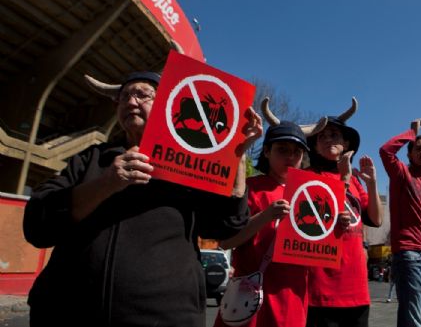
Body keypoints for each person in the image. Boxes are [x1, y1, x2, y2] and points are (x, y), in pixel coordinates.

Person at [23, 71, 262, 327]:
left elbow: (225, 226)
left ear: (167, 106)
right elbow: (37, 225)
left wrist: (236, 155)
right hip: (67, 314)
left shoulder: (192, 166)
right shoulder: (89, 160)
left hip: (165, 318)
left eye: (142, 94)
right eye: (124, 96)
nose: (131, 102)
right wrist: (106, 183)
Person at [212, 98, 327, 327]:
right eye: (282, 150)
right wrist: (266, 216)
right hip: (251, 295)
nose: (290, 156)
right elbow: (226, 242)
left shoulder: (314, 195)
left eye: (296, 152)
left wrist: (336, 228)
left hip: (293, 296)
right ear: (266, 151)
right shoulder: (249, 187)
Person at [305, 98, 383, 327]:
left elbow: (376, 220)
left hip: (356, 283)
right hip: (320, 286)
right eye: (323, 136)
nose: (329, 139)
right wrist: (343, 181)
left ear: (346, 143)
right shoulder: (306, 177)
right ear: (315, 146)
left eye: (335, 135)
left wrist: (372, 184)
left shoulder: (358, 182)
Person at [379, 118, 421, 327]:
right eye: (418, 148)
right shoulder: (401, 174)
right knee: (413, 322)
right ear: (409, 154)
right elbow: (385, 151)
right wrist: (411, 133)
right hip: (410, 256)